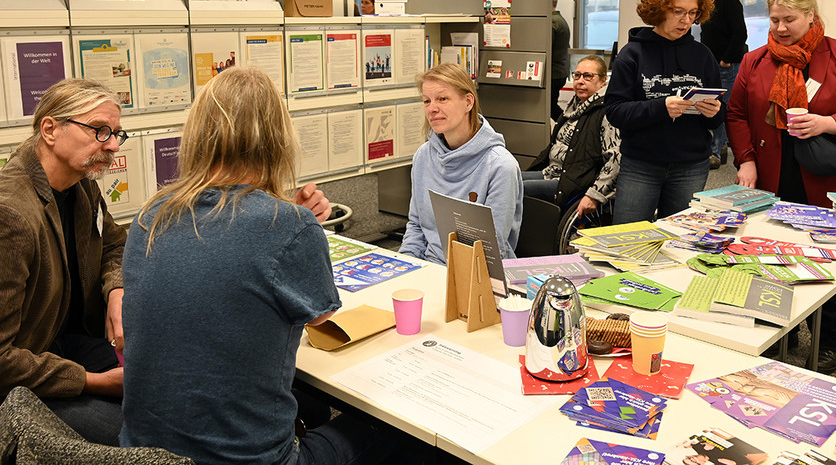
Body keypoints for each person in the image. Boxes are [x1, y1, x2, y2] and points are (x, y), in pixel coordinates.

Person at [120, 67, 397, 465]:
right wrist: (296, 225)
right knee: (395, 429)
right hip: (250, 461)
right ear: (277, 137)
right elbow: (323, 318)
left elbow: (223, 258)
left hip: (144, 453)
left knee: (313, 408)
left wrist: (288, 220)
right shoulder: (288, 227)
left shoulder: (151, 216)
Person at [726, 0, 836, 374]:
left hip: (826, 180)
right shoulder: (756, 60)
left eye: (789, 19)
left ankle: (831, 337)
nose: (780, 28)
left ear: (811, 15)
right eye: (774, 19)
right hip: (772, 177)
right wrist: (745, 160)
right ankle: (782, 330)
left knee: (821, 260)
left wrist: (829, 122)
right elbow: (738, 114)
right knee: (771, 256)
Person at [0, 78, 130, 445]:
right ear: (50, 129)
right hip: (24, 378)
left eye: (118, 133)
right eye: (100, 131)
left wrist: (116, 290)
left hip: (70, 341)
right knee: (134, 434)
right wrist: (96, 383)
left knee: (167, 395)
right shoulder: (10, 215)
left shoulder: (80, 181)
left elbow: (114, 244)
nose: (113, 144)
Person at [605, 0, 724, 224]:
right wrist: (661, 107)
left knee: (680, 243)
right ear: (659, 9)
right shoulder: (633, 53)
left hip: (691, 165)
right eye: (678, 11)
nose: (686, 20)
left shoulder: (703, 55)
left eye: (692, 13)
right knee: (627, 241)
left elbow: (719, 115)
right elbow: (615, 111)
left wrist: (714, 112)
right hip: (641, 164)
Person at [400, 63, 523, 264]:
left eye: (442, 99)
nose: (432, 108)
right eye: (426, 101)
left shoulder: (501, 166)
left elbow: (491, 253)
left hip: (477, 274)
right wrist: (406, 265)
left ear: (468, 102)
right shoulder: (423, 156)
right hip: (430, 268)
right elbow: (416, 227)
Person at [524, 55, 620, 219]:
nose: (580, 81)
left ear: (603, 81)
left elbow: (615, 159)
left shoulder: (606, 113)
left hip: (573, 182)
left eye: (588, 76)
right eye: (577, 75)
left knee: (516, 187)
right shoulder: (574, 107)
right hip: (552, 172)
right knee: (507, 177)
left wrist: (594, 195)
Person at [699, 0, 748, 169]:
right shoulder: (708, 6)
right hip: (710, 63)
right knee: (711, 104)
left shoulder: (730, 3)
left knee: (720, 106)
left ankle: (716, 151)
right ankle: (721, 145)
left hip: (726, 65)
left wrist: (726, 60)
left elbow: (740, 34)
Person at [550, 0, 571, 121]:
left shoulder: (552, 22)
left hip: (553, 74)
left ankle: (566, 127)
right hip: (559, 72)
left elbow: (545, 47)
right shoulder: (559, 19)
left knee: (551, 108)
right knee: (551, 106)